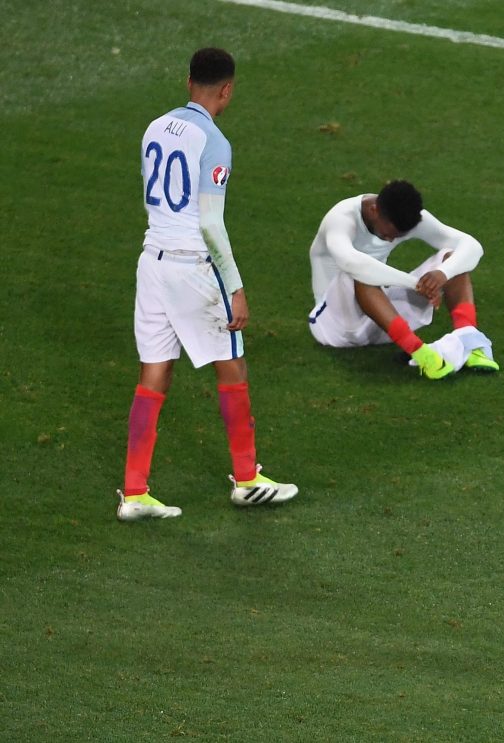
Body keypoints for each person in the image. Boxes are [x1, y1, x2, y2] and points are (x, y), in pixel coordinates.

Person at [117, 47, 297, 521]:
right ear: (227, 89)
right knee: (231, 365)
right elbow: (211, 225)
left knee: (153, 373)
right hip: (192, 267)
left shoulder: (154, 127)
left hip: (151, 263)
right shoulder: (214, 141)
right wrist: (234, 285)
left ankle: (134, 492)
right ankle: (247, 479)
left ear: (187, 80)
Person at [307, 180, 499, 379]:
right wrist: (416, 284)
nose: (390, 240)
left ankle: (470, 342)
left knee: (453, 258)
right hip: (335, 327)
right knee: (360, 270)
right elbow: (353, 264)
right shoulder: (341, 218)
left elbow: (472, 247)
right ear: (374, 210)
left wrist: (442, 273)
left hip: (380, 322)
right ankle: (422, 354)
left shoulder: (409, 218)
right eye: (388, 233)